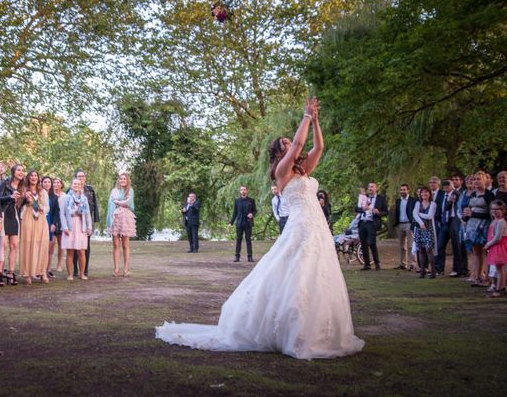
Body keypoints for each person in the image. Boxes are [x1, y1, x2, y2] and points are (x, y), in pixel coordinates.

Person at [156, 97, 364, 359]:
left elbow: (318, 147)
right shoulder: (282, 171)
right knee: (297, 271)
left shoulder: (303, 170)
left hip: (318, 227)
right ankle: (292, 330)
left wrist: (317, 121)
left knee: (317, 272)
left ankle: (321, 329)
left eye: (290, 142)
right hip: (301, 225)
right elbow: (300, 143)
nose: (291, 144)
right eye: (285, 144)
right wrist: (307, 116)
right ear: (279, 153)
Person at [18, 170, 50, 284]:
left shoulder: (43, 192)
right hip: (28, 217)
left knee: (42, 244)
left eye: (35, 175)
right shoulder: (23, 190)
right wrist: (26, 200)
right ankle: (27, 273)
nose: (33, 177)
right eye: (31, 175)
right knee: (28, 244)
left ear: (38, 178)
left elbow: (47, 208)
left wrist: (37, 205)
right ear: (28, 177)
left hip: (41, 218)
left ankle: (42, 272)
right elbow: (18, 205)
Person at [463, 172, 494, 286]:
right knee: (475, 252)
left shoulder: (489, 195)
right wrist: (465, 216)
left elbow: (491, 214)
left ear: (485, 180)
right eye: (475, 179)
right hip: (472, 227)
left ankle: (487, 278)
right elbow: (468, 210)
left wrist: (473, 214)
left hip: (485, 226)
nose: (476, 181)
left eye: (479, 179)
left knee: (485, 252)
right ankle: (476, 276)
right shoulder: (472, 195)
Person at [60, 178, 93, 281]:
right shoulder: (66, 198)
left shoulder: (84, 199)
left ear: (81, 186)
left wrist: (89, 227)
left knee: (81, 251)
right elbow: (62, 214)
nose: (77, 185)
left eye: (79, 184)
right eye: (75, 183)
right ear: (71, 185)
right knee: (70, 251)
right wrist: (64, 227)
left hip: (81, 225)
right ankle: (70, 274)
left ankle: (82, 274)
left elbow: (87, 214)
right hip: (70, 226)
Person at [0, 164, 25, 285]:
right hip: (4, 214)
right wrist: (10, 196)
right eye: (18, 170)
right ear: (13, 172)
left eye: (22, 170)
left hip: (14, 216)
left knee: (14, 245)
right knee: (3, 245)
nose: (21, 172)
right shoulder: (5, 183)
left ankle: (11, 273)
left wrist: (27, 200)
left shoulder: (22, 187)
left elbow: (21, 204)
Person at [106, 172, 136, 277]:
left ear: (127, 180)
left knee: (125, 245)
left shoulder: (130, 191)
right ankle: (116, 269)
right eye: (121, 179)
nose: (122, 180)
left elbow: (128, 203)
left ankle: (126, 269)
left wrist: (118, 202)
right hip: (115, 217)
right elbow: (111, 203)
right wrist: (120, 202)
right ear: (118, 180)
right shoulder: (114, 191)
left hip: (126, 218)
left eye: (124, 179)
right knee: (115, 244)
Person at [71, 170, 99, 278]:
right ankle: (75, 269)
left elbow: (94, 206)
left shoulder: (90, 190)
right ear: (76, 178)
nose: (81, 178)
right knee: (74, 246)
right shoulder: (71, 190)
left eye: (83, 176)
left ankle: (85, 269)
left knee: (86, 246)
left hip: (87, 222)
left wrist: (94, 220)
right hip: (74, 221)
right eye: (79, 176)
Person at [355, 182, 388, 270]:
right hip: (362, 222)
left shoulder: (381, 199)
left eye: (372, 187)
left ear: (376, 188)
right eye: (369, 187)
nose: (370, 188)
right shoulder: (364, 197)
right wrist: (362, 209)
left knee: (372, 242)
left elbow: (386, 212)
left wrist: (379, 212)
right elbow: (356, 209)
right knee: (363, 243)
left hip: (372, 222)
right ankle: (367, 264)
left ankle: (377, 263)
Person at [413, 187, 437, 278]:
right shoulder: (417, 203)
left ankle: (433, 272)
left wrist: (419, 214)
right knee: (421, 250)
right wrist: (421, 222)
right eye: (422, 193)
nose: (424, 194)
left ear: (429, 194)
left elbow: (430, 216)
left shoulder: (433, 204)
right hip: (419, 228)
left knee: (429, 249)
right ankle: (422, 271)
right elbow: (414, 214)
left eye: (426, 192)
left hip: (428, 229)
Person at [484, 200, 507, 298]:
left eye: (497, 209)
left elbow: (498, 237)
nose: (494, 211)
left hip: (499, 247)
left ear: (503, 211)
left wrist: (488, 244)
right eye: (492, 209)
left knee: (500, 269)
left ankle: (500, 289)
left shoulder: (501, 222)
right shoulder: (494, 221)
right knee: (498, 269)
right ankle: (499, 287)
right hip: (494, 247)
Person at [229, 186, 257, 262]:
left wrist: (252, 214)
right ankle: (237, 257)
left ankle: (250, 257)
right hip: (239, 223)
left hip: (248, 223)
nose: (243, 191)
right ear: (240, 191)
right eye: (241, 190)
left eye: (244, 190)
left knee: (248, 240)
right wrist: (231, 223)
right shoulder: (237, 201)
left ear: (247, 191)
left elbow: (255, 211)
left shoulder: (251, 200)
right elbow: (234, 213)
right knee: (238, 240)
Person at [393, 184, 416, 270]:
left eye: (404, 189)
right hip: (400, 224)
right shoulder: (398, 201)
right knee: (401, 246)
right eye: (401, 190)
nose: (402, 191)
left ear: (408, 190)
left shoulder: (413, 200)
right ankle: (402, 264)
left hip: (409, 224)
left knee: (410, 245)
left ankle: (412, 263)